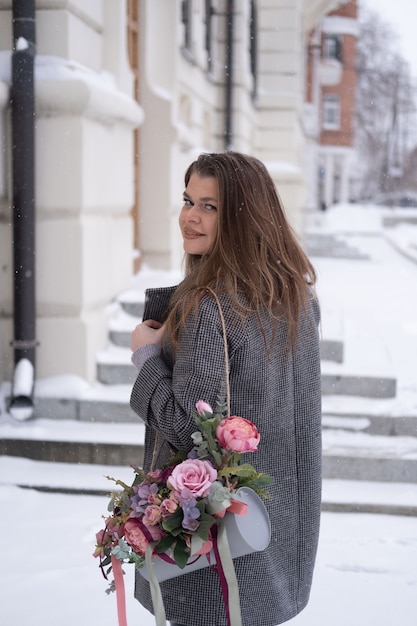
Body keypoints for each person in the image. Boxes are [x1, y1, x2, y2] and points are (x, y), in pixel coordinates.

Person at [130, 151, 322, 626]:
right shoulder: (294, 297)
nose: (189, 217)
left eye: (209, 206)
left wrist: (146, 358)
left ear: (240, 216)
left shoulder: (209, 306)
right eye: (187, 199)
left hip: (218, 537)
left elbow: (189, 429)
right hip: (274, 522)